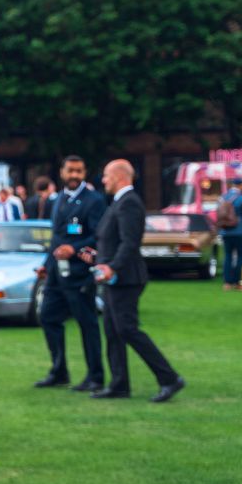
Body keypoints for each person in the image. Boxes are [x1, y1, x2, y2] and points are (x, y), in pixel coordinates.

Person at [80, 159, 186, 402]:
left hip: (126, 278)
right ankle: (119, 385)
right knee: (113, 331)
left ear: (119, 176)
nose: (103, 180)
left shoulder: (130, 203)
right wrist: (98, 258)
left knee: (127, 329)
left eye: (106, 175)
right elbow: (114, 241)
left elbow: (130, 242)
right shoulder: (119, 202)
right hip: (114, 277)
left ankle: (169, 378)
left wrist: (112, 266)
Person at [36, 155, 106, 390]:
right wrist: (46, 264)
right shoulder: (58, 199)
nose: (74, 175)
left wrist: (74, 249)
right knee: (47, 316)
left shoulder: (94, 200)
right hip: (57, 273)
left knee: (87, 324)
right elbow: (57, 238)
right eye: (70, 170)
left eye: (79, 171)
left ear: (84, 173)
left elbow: (98, 235)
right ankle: (59, 371)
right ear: (62, 172)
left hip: (80, 273)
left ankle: (95, 376)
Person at [217, 178, 242, 291]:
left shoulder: (223, 197)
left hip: (225, 231)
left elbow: (219, 215)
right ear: (241, 185)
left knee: (228, 256)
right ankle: (238, 282)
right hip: (240, 232)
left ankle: (227, 283)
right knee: (240, 257)